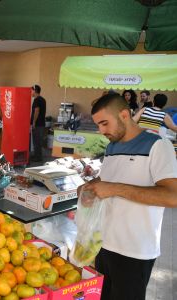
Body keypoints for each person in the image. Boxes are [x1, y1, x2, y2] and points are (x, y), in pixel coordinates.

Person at [82, 93, 177, 300]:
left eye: (105, 123)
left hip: (135, 251)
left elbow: (172, 196)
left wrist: (114, 188)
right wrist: (92, 187)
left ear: (124, 114)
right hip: (104, 244)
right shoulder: (112, 147)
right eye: (98, 125)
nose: (101, 131)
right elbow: (108, 180)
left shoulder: (158, 145)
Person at [30, 84, 46, 162]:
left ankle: (38, 157)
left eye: (31, 90)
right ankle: (37, 155)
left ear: (35, 91)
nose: (31, 92)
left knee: (36, 141)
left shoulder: (37, 100)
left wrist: (33, 122)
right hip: (41, 123)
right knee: (38, 141)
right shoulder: (42, 99)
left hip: (38, 124)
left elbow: (36, 111)